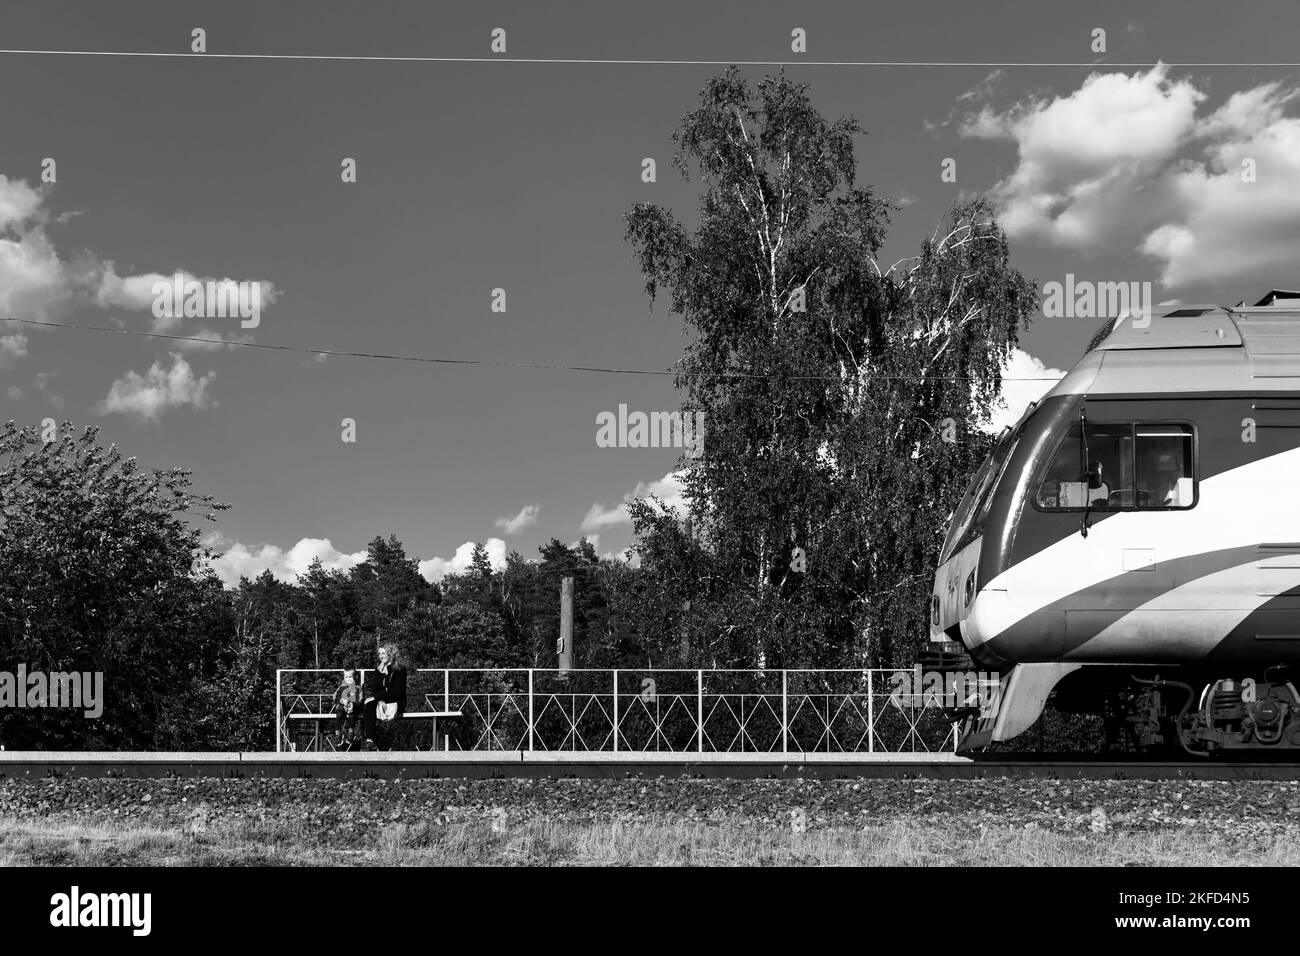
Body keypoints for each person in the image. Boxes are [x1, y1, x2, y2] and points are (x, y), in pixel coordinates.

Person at [361, 643, 407, 751]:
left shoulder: (399, 669)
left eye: (383, 653)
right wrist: (380, 699)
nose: (381, 656)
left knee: (371, 702)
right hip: (382, 701)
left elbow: (397, 691)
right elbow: (375, 689)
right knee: (368, 704)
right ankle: (370, 740)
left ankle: (373, 740)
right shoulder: (379, 669)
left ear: (390, 654)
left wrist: (379, 697)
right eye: (379, 653)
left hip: (396, 701)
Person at [330, 669, 361, 747]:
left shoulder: (358, 688)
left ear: (355, 677)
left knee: (352, 715)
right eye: (346, 677)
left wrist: (353, 704)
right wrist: (341, 701)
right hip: (342, 706)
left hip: (353, 707)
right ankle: (338, 735)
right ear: (344, 677)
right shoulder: (341, 687)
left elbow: (359, 699)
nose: (348, 679)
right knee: (339, 715)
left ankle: (351, 733)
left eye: (350, 676)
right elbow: (336, 698)